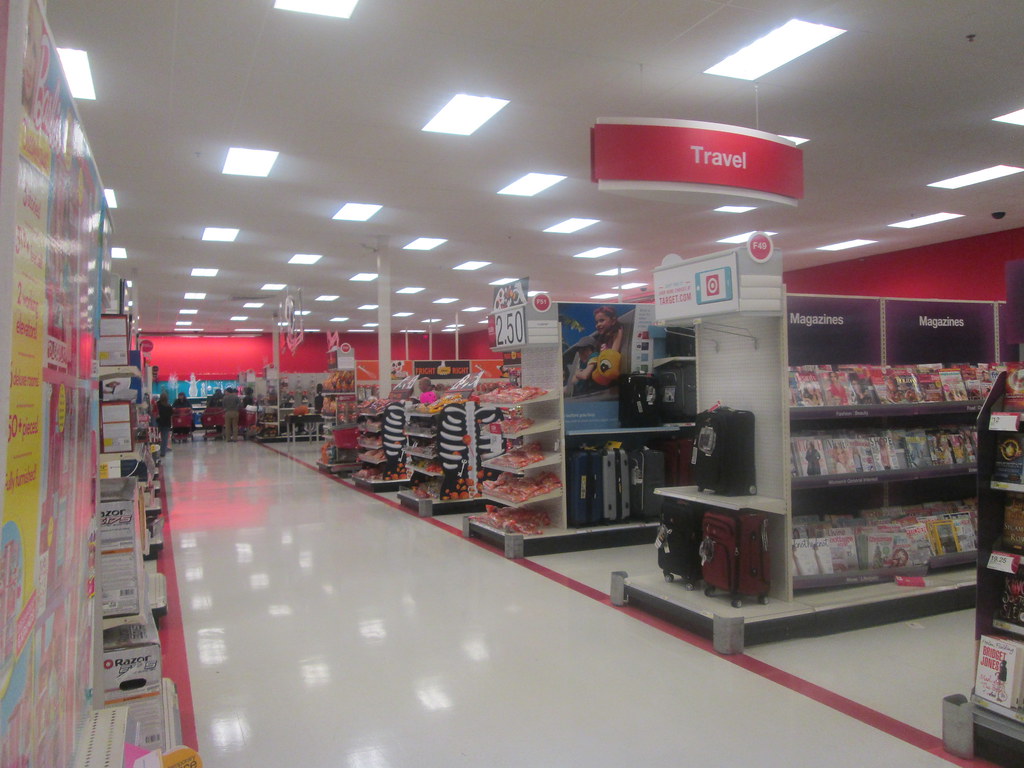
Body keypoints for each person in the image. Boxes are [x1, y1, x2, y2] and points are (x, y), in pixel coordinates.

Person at [156, 391, 173, 457]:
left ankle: (155, 453)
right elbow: (171, 414)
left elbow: (155, 413)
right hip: (166, 424)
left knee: (155, 439)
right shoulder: (168, 406)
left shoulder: (157, 405)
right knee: (164, 439)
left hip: (158, 423)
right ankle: (162, 453)